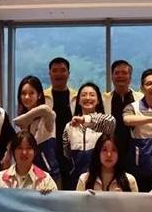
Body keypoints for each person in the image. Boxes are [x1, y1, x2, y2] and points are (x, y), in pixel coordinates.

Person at [62, 83, 116, 190]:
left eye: (92, 95)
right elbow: (67, 153)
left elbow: (111, 121)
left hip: (99, 179)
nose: (87, 98)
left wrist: (83, 120)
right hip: (76, 179)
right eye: (83, 95)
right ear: (78, 100)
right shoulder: (69, 126)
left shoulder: (105, 122)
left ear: (98, 100)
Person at [15, 75, 60, 184]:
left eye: (31, 93)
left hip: (49, 176)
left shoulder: (46, 117)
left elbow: (45, 109)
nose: (26, 97)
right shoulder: (23, 121)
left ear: (39, 95)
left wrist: (25, 118)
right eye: (23, 93)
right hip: (29, 176)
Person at [102, 60, 143, 165]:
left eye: (124, 73)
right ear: (111, 77)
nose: (120, 76)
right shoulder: (104, 100)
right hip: (111, 151)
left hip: (136, 150)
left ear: (130, 77)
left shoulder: (141, 99)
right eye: (116, 73)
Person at [44, 57, 77, 185]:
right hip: (49, 151)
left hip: (71, 151)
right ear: (49, 74)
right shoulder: (42, 97)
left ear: (68, 74)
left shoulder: (76, 97)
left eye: (62, 70)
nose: (58, 74)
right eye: (55, 70)